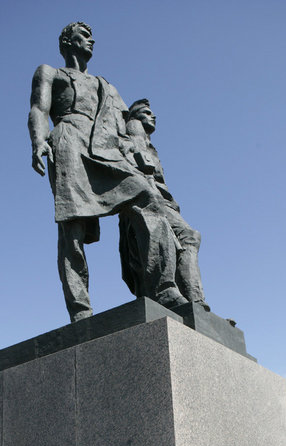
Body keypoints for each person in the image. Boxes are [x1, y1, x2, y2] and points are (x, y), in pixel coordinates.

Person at [28, 22, 188, 322]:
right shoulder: (50, 72)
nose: (92, 41)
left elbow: (129, 126)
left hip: (105, 148)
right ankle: (81, 310)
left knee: (147, 197)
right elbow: (38, 108)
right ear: (67, 41)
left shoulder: (106, 85)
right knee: (72, 226)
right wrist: (39, 140)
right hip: (69, 140)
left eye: (91, 37)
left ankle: (163, 287)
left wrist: (143, 153)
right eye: (84, 36)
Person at [118, 99, 208, 307]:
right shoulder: (135, 128)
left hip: (158, 202)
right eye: (147, 112)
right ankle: (193, 301)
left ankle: (193, 302)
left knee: (183, 242)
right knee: (189, 237)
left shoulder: (149, 143)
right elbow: (143, 166)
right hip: (150, 201)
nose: (153, 116)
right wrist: (155, 202)